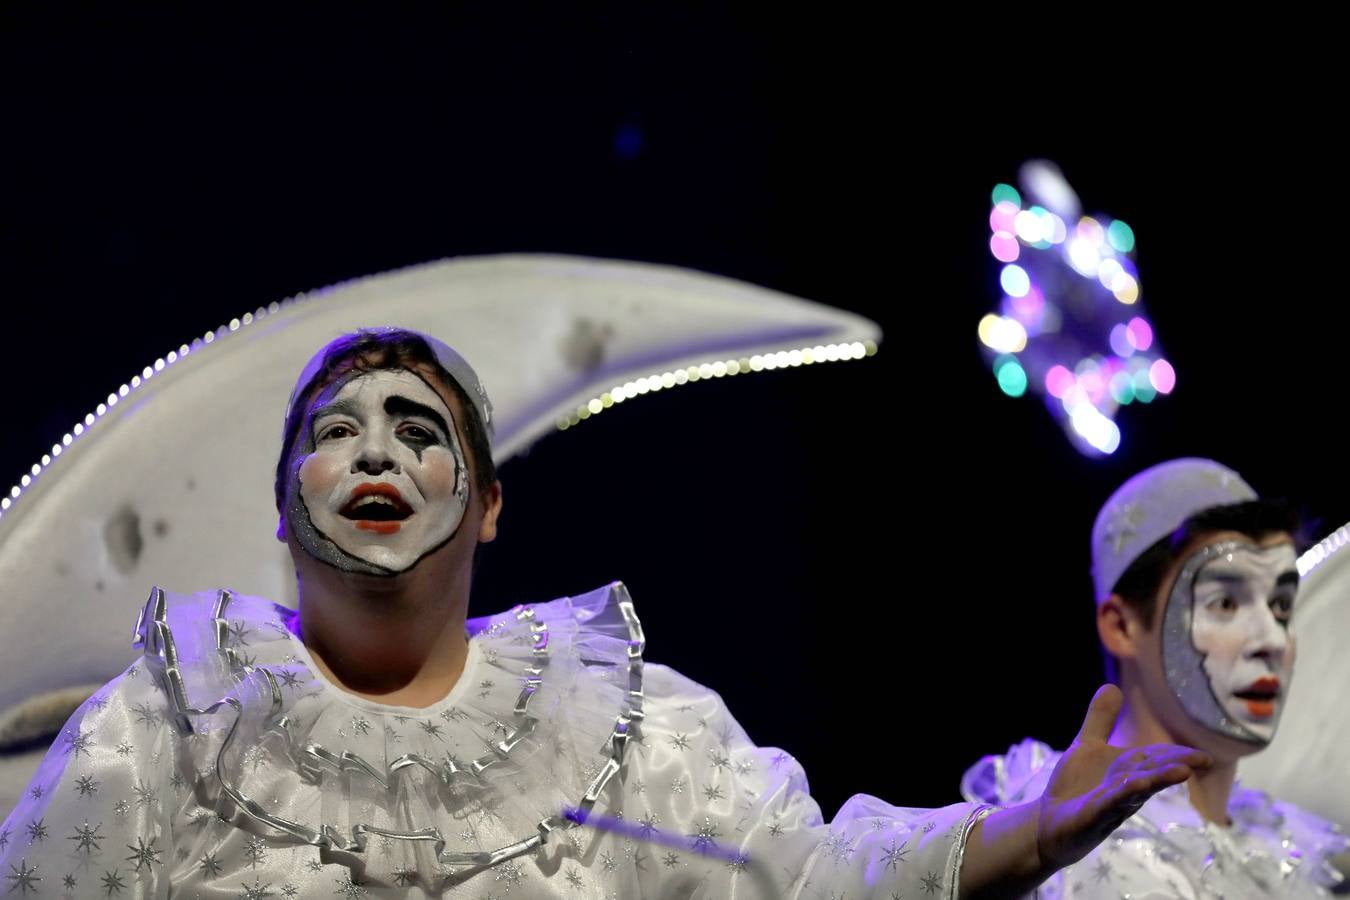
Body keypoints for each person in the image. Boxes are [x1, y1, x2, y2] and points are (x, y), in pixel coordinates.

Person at [0, 329, 1208, 898]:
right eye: (335, 433)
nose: (377, 451)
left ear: (486, 508)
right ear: (282, 507)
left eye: (420, 433)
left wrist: (1027, 836)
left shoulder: (630, 735)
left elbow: (805, 877)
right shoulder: (158, 736)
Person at [962, 458, 1347, 897]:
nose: (1272, 640)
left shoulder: (1294, 853)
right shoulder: (1049, 850)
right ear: (1122, 627)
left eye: (1280, 605)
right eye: (1224, 603)